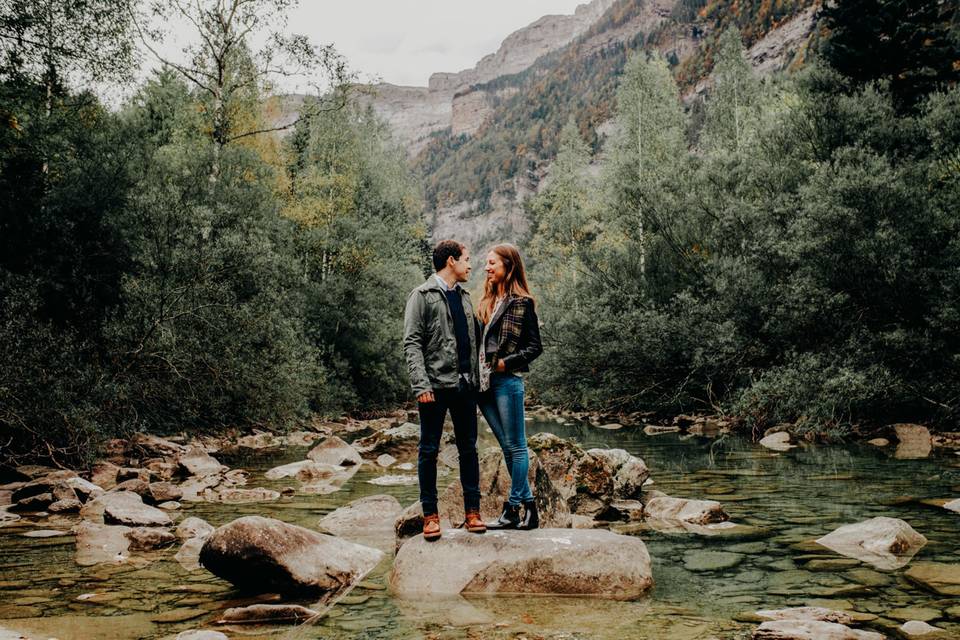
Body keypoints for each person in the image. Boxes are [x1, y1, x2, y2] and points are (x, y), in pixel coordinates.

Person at [403, 239, 486, 541]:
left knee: (469, 450)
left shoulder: (464, 297)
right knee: (428, 451)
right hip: (434, 388)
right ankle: (430, 516)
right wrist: (420, 384)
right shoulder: (421, 296)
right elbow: (412, 343)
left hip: (465, 386)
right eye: (466, 259)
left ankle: (473, 513)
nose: (469, 264)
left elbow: (475, 340)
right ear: (450, 261)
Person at [476, 243, 543, 530]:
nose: (487, 267)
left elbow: (534, 346)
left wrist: (506, 363)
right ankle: (530, 509)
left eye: (493, 263)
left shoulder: (522, 302)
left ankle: (513, 508)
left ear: (509, 265)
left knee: (516, 447)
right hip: (483, 383)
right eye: (486, 263)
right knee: (507, 446)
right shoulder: (486, 301)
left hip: (507, 381)